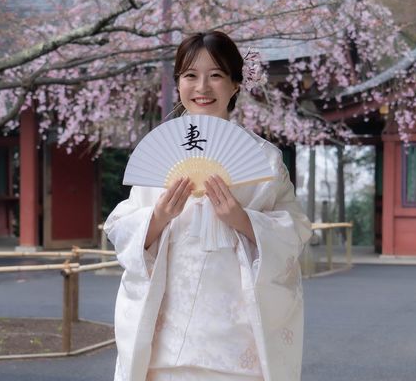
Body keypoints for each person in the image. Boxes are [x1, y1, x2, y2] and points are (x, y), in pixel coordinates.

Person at [104, 31, 312, 381]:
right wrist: (158, 217)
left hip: (237, 339)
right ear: (178, 83)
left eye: (215, 75)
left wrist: (242, 220)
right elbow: (121, 229)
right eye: (190, 75)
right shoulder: (160, 152)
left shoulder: (265, 159)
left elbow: (296, 231)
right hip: (164, 334)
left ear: (235, 84)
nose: (202, 87)